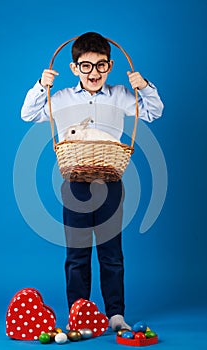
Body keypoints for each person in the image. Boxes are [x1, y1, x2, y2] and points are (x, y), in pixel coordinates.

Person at [21, 32, 164, 331]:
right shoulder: (60, 99)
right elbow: (28, 113)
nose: (94, 73)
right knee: (77, 253)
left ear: (110, 66)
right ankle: (78, 312)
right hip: (75, 184)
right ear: (75, 69)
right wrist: (40, 85)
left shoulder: (121, 95)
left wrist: (145, 88)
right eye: (86, 66)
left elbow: (152, 112)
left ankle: (115, 315)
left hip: (111, 182)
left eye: (101, 65)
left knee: (111, 252)